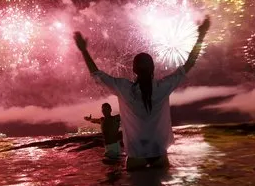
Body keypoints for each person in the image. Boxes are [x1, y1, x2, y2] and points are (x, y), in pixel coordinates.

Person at [73, 16, 211, 170]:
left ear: (134, 70)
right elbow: (189, 64)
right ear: (153, 69)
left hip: (136, 154)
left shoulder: (124, 88)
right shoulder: (163, 87)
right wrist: (201, 35)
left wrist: (84, 50)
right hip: (159, 153)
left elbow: (97, 75)